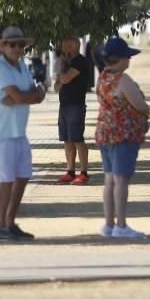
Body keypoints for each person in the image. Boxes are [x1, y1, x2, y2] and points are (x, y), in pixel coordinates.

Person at [0, 26, 46, 241]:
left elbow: (31, 95)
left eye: (21, 45)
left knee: (23, 177)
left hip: (19, 131)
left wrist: (25, 96)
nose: (17, 48)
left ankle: (10, 223)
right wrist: (28, 95)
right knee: (6, 180)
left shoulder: (22, 66)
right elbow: (22, 96)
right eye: (12, 44)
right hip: (1, 132)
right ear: (3, 47)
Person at [94, 37, 149, 238]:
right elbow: (139, 104)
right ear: (120, 58)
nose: (129, 60)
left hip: (105, 132)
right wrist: (146, 110)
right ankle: (121, 225)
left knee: (109, 179)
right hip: (123, 134)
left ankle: (109, 224)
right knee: (121, 180)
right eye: (127, 56)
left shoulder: (102, 77)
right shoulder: (122, 80)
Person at [54, 36, 93, 186]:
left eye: (66, 46)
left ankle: (84, 173)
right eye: (63, 46)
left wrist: (62, 70)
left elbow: (63, 80)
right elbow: (56, 87)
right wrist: (61, 73)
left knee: (77, 139)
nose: (64, 49)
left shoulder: (80, 62)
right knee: (67, 140)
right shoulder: (67, 64)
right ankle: (70, 171)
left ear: (73, 47)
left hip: (76, 106)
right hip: (64, 105)